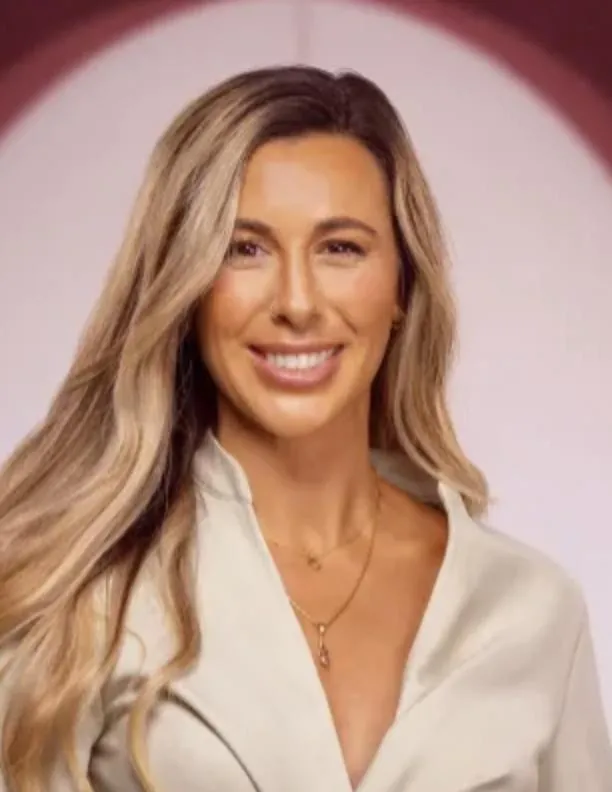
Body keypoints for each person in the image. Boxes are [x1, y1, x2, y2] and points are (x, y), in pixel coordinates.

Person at [0, 65, 610, 792]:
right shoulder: (80, 597)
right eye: (245, 248)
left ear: (402, 286)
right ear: (186, 287)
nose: (296, 302)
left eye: (340, 248)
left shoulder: (532, 610)